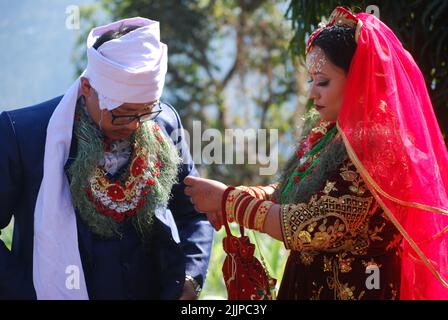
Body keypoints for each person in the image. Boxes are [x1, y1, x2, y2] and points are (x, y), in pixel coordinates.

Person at [184, 7, 448, 299]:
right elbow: (293, 191)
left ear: (358, 79)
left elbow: (314, 225)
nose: (312, 93)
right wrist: (238, 195)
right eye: (311, 81)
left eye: (323, 82)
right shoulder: (331, 132)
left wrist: (230, 201)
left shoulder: (376, 145)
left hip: (360, 287)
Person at [0, 17, 213, 300]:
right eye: (123, 113)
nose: (136, 125)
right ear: (87, 88)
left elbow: (194, 212)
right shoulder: (24, 135)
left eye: (145, 111)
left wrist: (189, 279)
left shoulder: (164, 124)